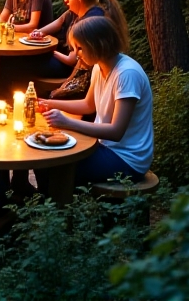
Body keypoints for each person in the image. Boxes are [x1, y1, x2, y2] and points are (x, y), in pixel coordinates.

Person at [37, 16, 153, 193]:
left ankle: (55, 205)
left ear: (97, 45)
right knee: (44, 153)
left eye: (80, 48)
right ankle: (47, 201)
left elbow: (116, 131)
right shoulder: (99, 67)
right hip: (103, 146)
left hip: (127, 159)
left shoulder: (127, 74)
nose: (76, 54)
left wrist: (66, 122)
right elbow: (88, 105)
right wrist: (49, 103)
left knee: (54, 164)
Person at [31, 0, 128, 79]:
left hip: (71, 68)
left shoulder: (91, 21)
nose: (65, 0)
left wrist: (49, 51)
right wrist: (40, 32)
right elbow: (60, 21)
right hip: (61, 58)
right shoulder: (75, 11)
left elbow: (72, 60)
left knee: (25, 64)